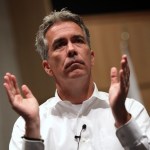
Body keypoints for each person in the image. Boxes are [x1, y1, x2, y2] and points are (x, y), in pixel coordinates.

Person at [3, 8, 150, 150]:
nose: (71, 49)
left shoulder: (131, 110)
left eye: (78, 40)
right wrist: (33, 128)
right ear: (48, 67)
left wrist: (122, 117)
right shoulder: (25, 126)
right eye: (60, 45)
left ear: (91, 58)